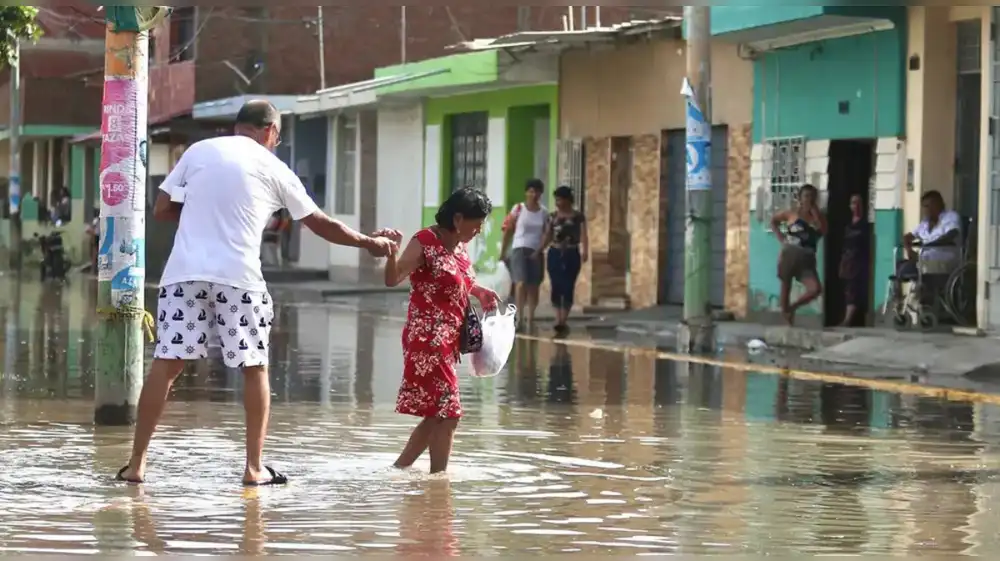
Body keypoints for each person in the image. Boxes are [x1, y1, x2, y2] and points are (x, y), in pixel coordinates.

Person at [115, 100, 399, 486]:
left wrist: (204, 213)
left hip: (184, 276)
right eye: (277, 138)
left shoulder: (199, 151)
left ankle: (136, 465)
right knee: (254, 368)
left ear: (239, 126)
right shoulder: (273, 167)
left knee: (166, 365)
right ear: (270, 132)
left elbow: (162, 207)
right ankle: (252, 468)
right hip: (239, 280)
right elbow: (319, 223)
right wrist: (369, 242)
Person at [383, 187, 500, 474]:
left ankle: (400, 470)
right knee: (449, 414)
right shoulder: (425, 241)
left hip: (449, 341)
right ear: (458, 218)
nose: (479, 230)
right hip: (426, 339)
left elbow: (458, 281)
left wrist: (479, 290)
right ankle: (439, 481)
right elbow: (394, 278)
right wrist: (391, 253)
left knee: (437, 414)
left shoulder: (459, 245)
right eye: (477, 223)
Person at [891, 190, 962, 307]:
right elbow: (909, 236)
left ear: (938, 204)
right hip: (926, 261)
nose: (925, 210)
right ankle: (898, 300)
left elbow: (952, 234)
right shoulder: (925, 223)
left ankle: (920, 296)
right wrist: (909, 249)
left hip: (945, 260)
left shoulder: (950, 217)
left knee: (911, 266)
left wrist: (929, 245)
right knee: (900, 265)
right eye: (924, 206)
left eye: (928, 206)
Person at [770, 184, 826, 325]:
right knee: (786, 286)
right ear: (800, 198)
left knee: (815, 289)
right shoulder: (792, 214)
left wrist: (816, 216)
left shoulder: (819, 218)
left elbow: (824, 231)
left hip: (807, 258)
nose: (809, 200)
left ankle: (792, 308)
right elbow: (774, 221)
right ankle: (787, 319)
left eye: (812, 197)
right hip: (790, 253)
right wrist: (781, 238)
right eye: (806, 196)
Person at [536, 185, 588, 336]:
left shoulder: (578, 217)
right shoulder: (552, 217)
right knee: (556, 284)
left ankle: (563, 319)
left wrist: (585, 250)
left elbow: (584, 235)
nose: (558, 202)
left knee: (568, 285)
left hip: (572, 252)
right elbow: (547, 235)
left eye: (560, 199)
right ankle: (559, 319)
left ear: (568, 200)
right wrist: (539, 251)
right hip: (555, 252)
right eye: (556, 199)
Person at [501, 178, 547, 329]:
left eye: (537, 191)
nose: (534, 194)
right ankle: (520, 317)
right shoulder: (519, 209)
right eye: (531, 191)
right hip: (519, 248)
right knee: (520, 283)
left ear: (541, 194)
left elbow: (547, 233)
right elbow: (508, 229)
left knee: (534, 285)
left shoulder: (544, 212)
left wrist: (540, 249)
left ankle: (531, 318)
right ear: (526, 192)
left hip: (536, 250)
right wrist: (503, 251)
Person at [838, 194, 870, 327]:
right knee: (848, 289)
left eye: (858, 203)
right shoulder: (847, 223)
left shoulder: (865, 224)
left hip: (859, 261)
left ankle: (848, 320)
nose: (856, 206)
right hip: (847, 260)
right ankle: (848, 318)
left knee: (854, 290)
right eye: (853, 203)